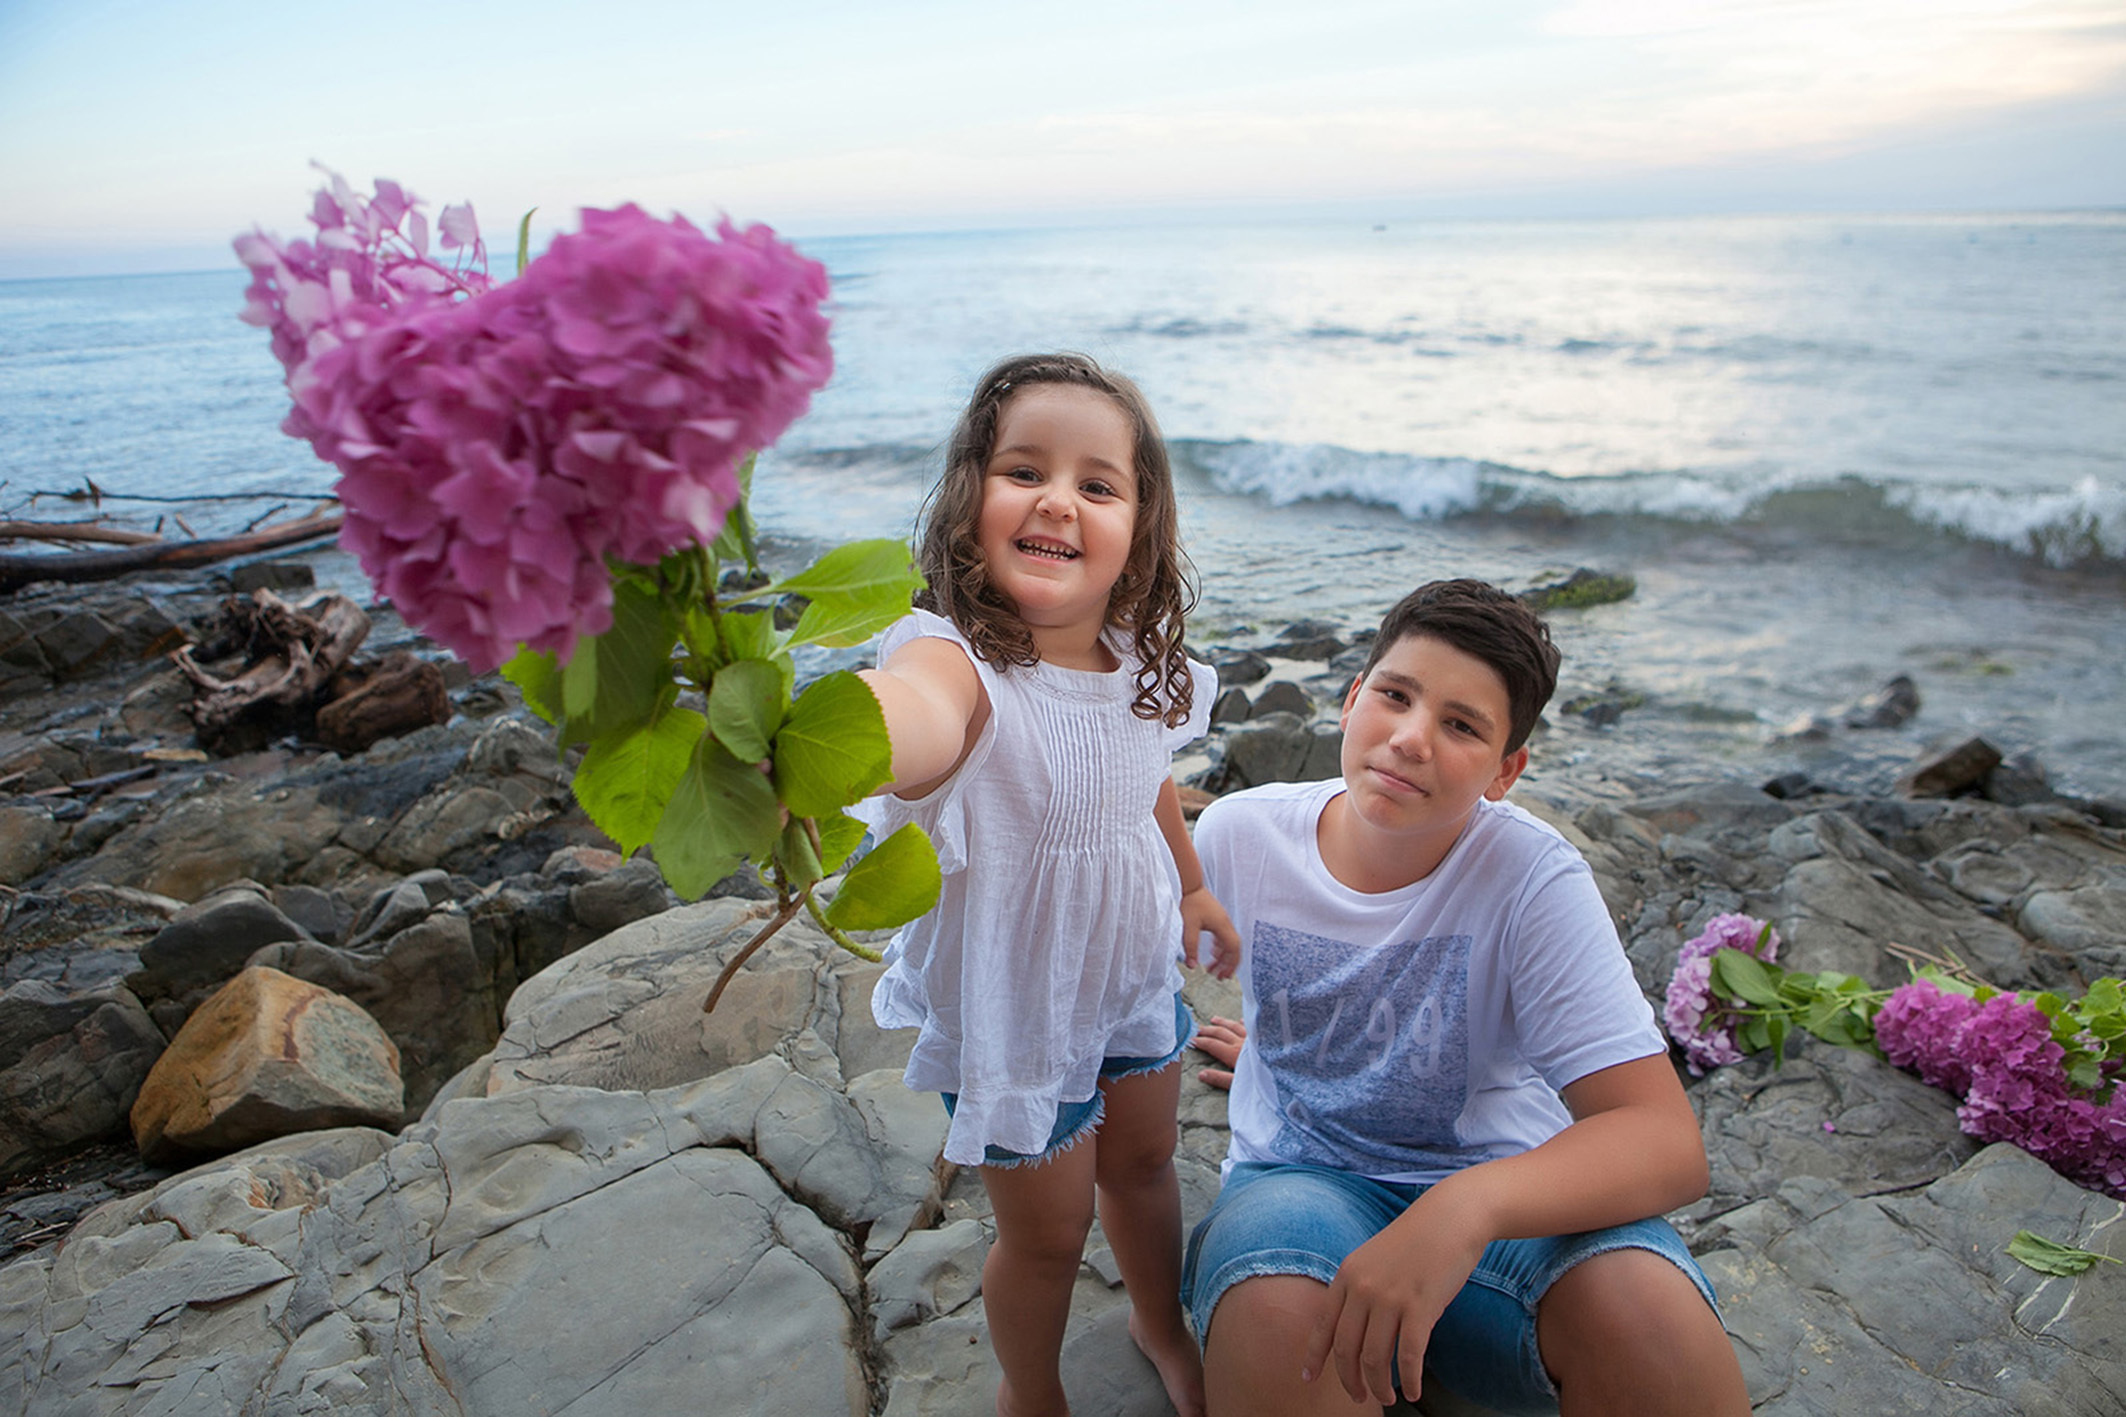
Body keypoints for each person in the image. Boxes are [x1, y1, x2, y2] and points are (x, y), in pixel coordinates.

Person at [1181, 579, 1749, 1416]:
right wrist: (1277, 1050)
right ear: (1350, 700)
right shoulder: (1240, 835)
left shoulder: (1530, 876)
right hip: (1304, 1192)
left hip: (1501, 1206)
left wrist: (1465, 1207)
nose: (1410, 739)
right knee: (1272, 1310)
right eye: (1395, 695)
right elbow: (1112, 995)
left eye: (1461, 725)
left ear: (1505, 770)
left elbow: (1665, 1142)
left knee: (1648, 1317)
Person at [857, 352, 1241, 1417]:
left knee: (1148, 1159)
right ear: (970, 497)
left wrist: (1195, 883)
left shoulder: (1130, 654)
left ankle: (1158, 1320)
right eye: (1023, 469)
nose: (1057, 500)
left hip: (1123, 969)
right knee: (1045, 1232)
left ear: (1139, 528)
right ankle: (1030, 1393)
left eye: (1097, 484)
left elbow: (1140, 776)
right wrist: (844, 742)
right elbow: (912, 719)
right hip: (1014, 1004)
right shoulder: (954, 659)